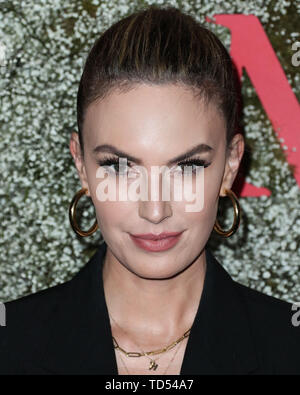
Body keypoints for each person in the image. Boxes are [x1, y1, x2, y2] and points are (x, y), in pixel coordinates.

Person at [1, 4, 299, 375]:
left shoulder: (289, 350)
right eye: (119, 167)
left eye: (188, 167)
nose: (155, 210)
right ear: (81, 165)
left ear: (230, 166)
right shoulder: (11, 344)